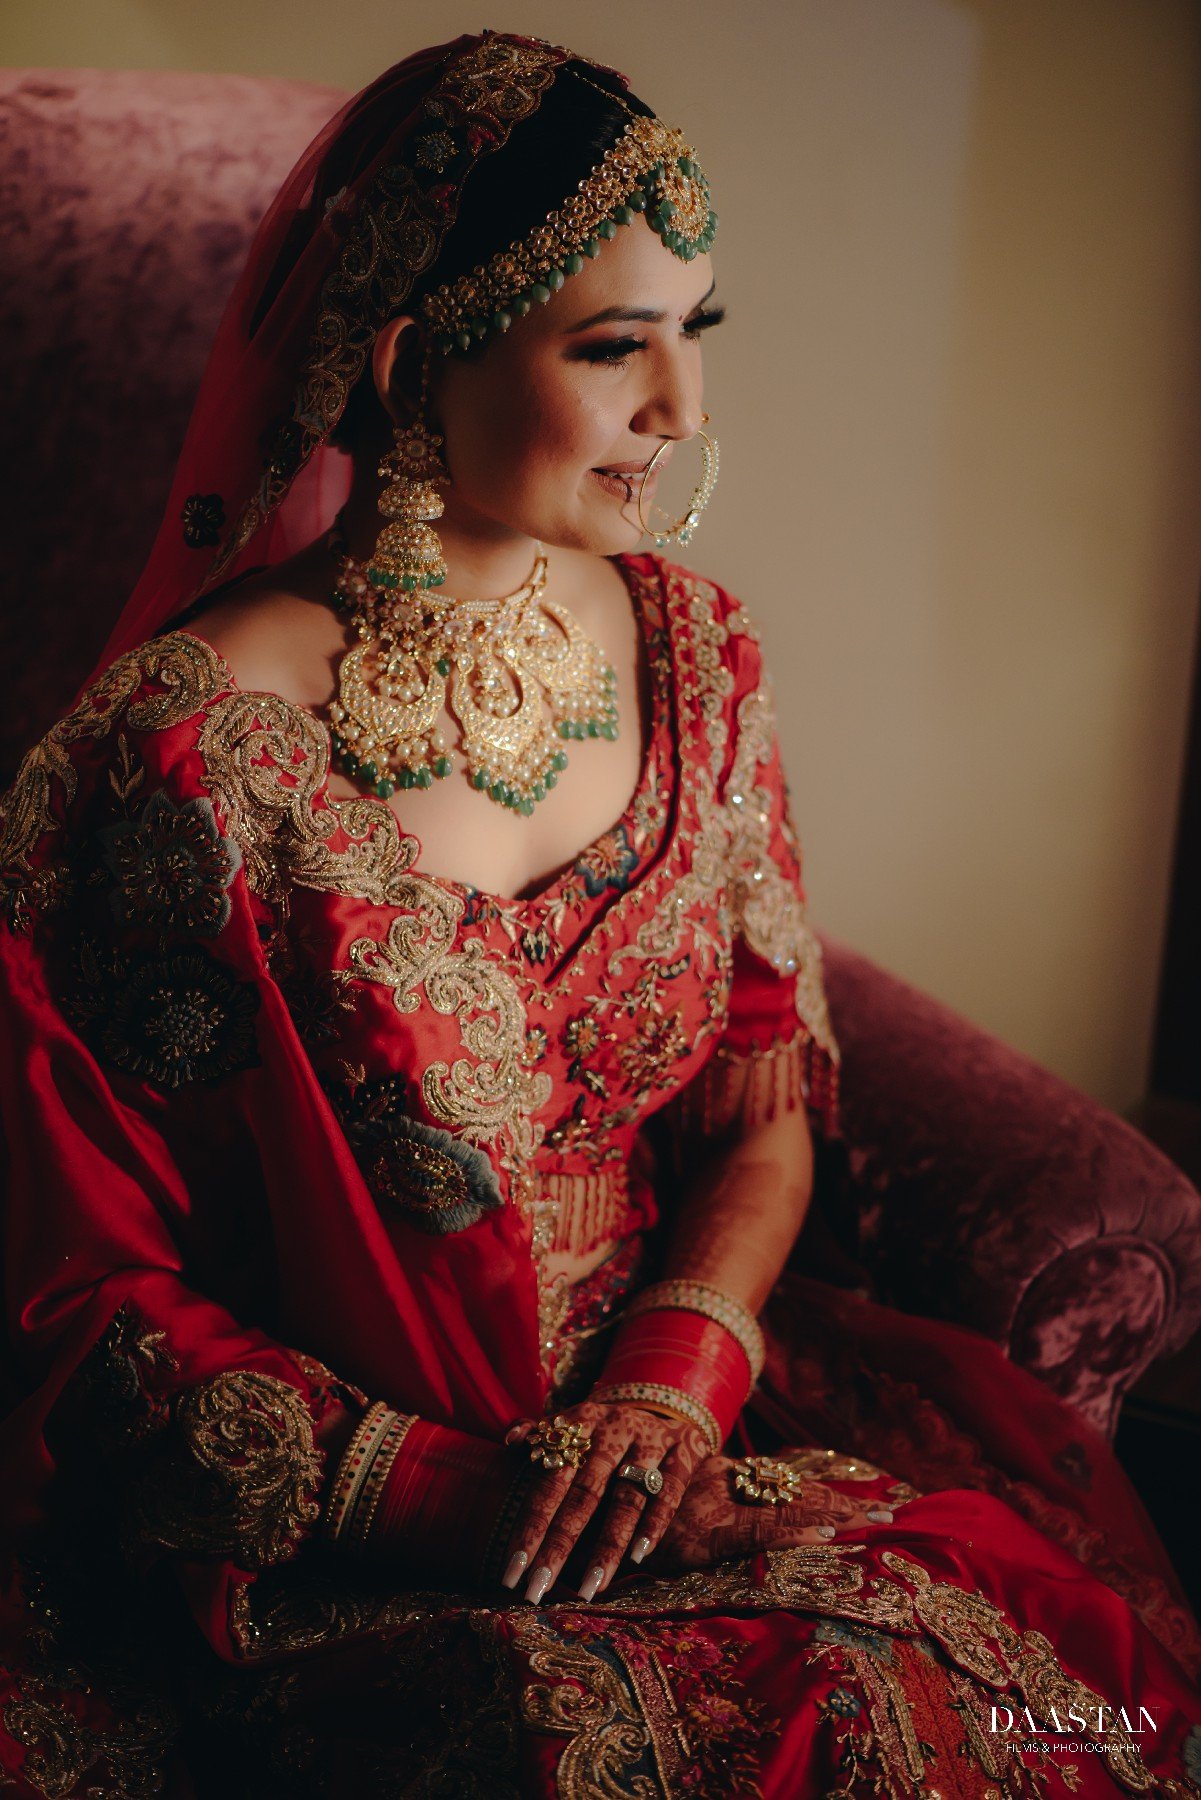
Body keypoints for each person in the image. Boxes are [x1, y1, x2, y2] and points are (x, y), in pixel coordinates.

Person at [0, 29, 1197, 1798]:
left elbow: (760, 1106)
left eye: (693, 333)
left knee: (999, 1714)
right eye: (612, 347)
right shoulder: (190, 753)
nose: (683, 416)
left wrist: (661, 1397)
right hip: (341, 1527)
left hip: (685, 1433)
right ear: (414, 361)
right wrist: (459, 1498)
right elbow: (78, 1293)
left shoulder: (698, 659)